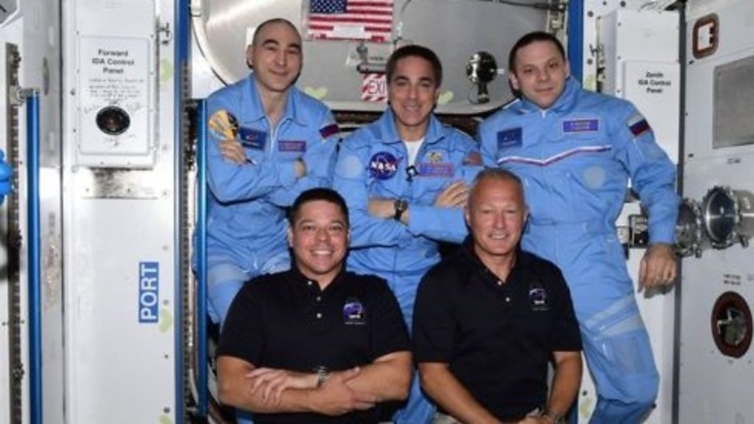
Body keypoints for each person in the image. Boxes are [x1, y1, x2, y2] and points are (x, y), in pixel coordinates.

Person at [477, 31, 680, 423]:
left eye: (552, 66)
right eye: (530, 71)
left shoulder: (613, 114)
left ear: (567, 67)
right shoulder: (494, 130)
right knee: (521, 390)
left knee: (636, 390)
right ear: (514, 80)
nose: (543, 78)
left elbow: (657, 178)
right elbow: (478, 203)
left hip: (593, 265)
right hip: (524, 268)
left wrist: (661, 242)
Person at [332, 44, 484, 423]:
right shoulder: (358, 147)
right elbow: (349, 229)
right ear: (388, 88)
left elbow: (468, 228)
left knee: (427, 374)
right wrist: (432, 216)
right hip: (362, 278)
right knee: (352, 378)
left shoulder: (462, 150)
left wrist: (398, 209)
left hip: (424, 283)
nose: (412, 96)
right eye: (402, 83)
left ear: (437, 91)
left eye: (423, 84)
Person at [216, 188, 411, 423]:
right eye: (309, 228)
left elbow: (397, 381)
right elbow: (231, 387)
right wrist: (313, 400)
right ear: (290, 236)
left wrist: (310, 379)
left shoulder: (374, 292)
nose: (323, 238)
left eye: (334, 228)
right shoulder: (257, 294)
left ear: (348, 236)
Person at [198, 18, 340, 325]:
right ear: (250, 55)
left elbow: (316, 195)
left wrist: (251, 170)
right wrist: (295, 169)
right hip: (223, 247)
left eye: (292, 51)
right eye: (271, 48)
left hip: (280, 246)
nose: (281, 60)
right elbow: (225, 187)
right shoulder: (222, 108)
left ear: (300, 62)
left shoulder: (317, 117)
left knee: (294, 327)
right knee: (241, 326)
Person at [413, 168, 583, 424]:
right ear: (468, 216)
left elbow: (568, 358)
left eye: (510, 211)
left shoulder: (547, 277)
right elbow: (432, 375)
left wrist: (551, 418)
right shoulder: (440, 282)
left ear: (525, 216)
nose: (499, 224)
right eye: (487, 212)